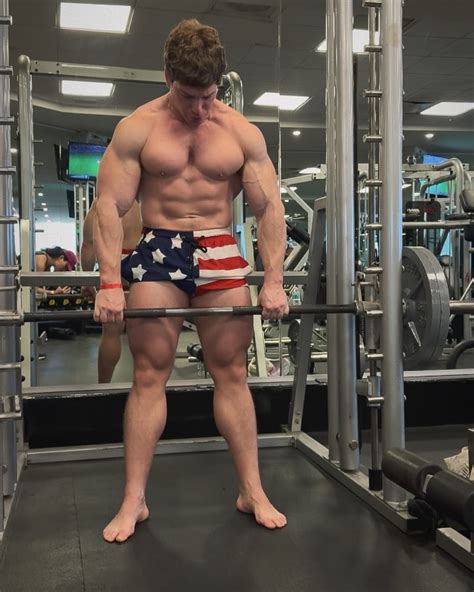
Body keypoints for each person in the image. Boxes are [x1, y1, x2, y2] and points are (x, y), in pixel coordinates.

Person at [93, 18, 289, 543]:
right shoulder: (138, 128)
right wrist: (109, 281)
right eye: (188, 96)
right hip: (158, 248)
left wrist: (273, 280)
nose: (199, 108)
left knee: (233, 373)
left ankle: (251, 490)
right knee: (148, 375)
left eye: (208, 96)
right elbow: (109, 206)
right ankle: (134, 500)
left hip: (220, 247)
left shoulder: (241, 132)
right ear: (167, 77)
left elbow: (269, 208)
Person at [81, 199, 142, 383]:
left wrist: (86, 281)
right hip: (140, 265)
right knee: (143, 332)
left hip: (115, 263)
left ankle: (103, 387)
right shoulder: (139, 203)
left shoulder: (101, 202)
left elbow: (88, 245)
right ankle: (145, 386)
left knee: (111, 333)